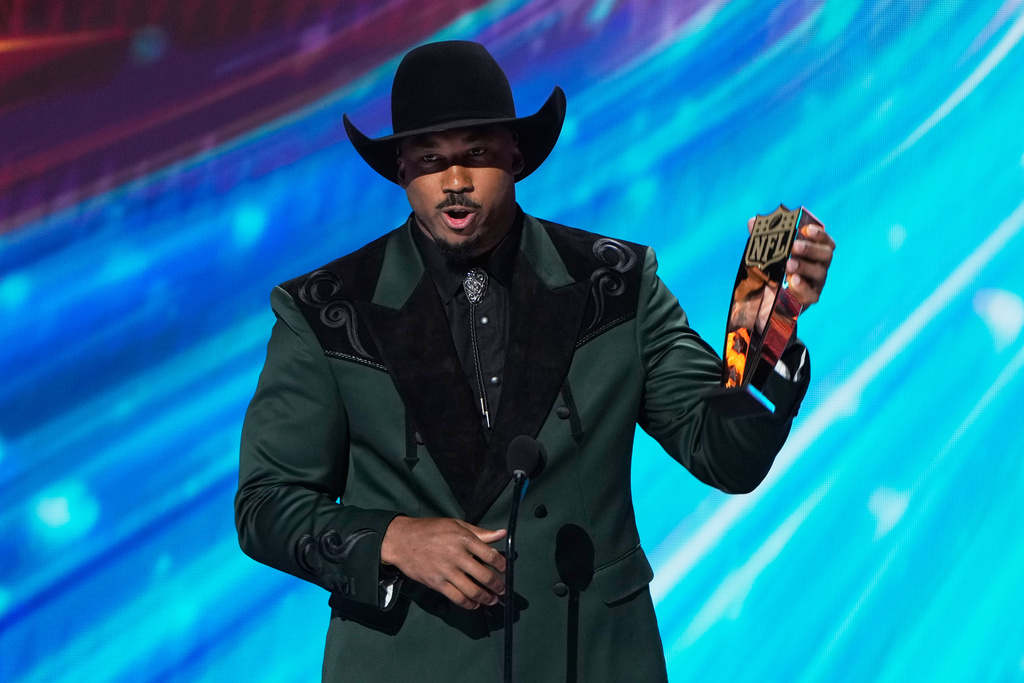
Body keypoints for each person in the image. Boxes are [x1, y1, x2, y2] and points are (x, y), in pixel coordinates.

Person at [235, 40, 835, 682]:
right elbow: (266, 505)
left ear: (515, 157)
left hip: (592, 658)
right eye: (432, 161)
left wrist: (769, 329)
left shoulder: (617, 284)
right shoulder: (328, 309)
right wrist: (394, 540)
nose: (455, 182)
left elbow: (727, 455)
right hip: (410, 661)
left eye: (476, 156)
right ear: (402, 169)